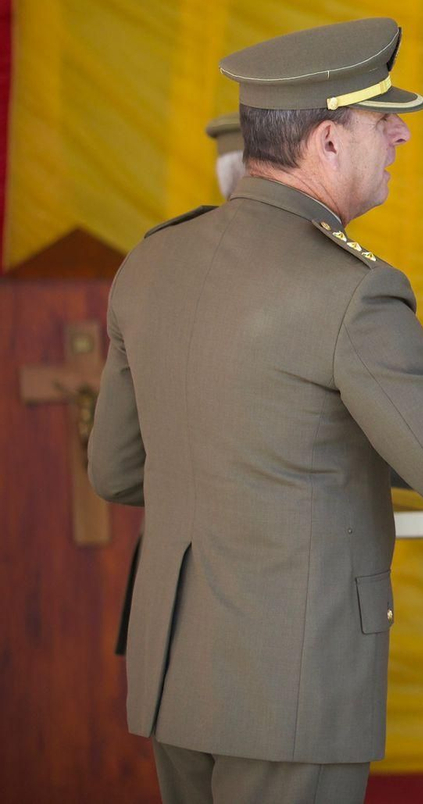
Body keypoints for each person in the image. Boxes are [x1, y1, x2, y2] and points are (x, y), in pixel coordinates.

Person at [87, 17, 423, 804]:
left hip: (176, 674)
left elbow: (116, 468)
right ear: (330, 141)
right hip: (293, 678)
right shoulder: (353, 288)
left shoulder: (152, 260)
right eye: (384, 120)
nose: (401, 135)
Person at [113, 112, 247, 660]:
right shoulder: (317, 278)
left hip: (165, 595)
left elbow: (114, 469)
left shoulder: (152, 269)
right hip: (260, 595)